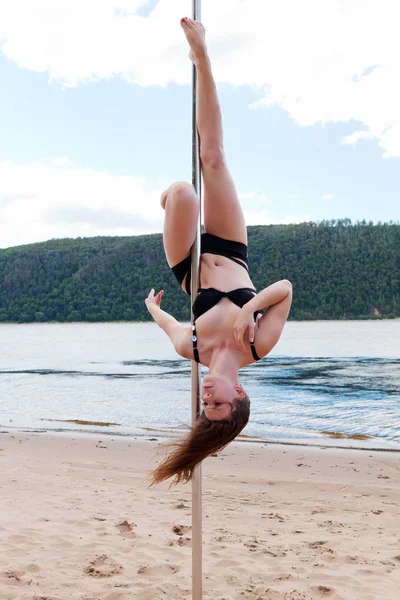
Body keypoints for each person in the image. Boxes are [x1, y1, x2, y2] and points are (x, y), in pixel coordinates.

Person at [145, 18, 292, 485]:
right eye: (218, 402)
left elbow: (170, 323)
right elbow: (286, 289)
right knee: (215, 159)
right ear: (240, 393)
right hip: (233, 250)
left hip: (188, 264)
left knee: (186, 193)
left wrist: (153, 308)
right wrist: (252, 305)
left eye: (203, 404)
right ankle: (203, 58)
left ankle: (170, 202)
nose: (207, 395)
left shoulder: (192, 347)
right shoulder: (258, 344)